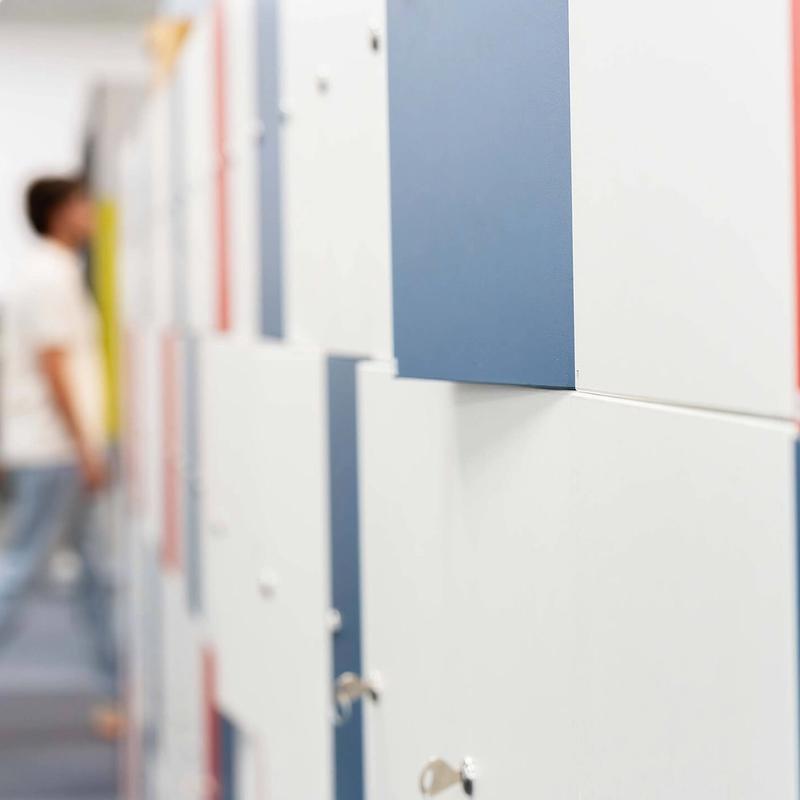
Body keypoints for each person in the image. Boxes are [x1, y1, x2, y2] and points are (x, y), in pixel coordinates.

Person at [0, 176, 118, 713]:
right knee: (22, 568)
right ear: (58, 213)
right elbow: (54, 367)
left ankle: (115, 688)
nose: (90, 213)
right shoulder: (49, 277)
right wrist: (85, 448)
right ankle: (115, 686)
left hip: (54, 448)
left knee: (91, 570)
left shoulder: (50, 272)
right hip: (52, 450)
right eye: (81, 205)